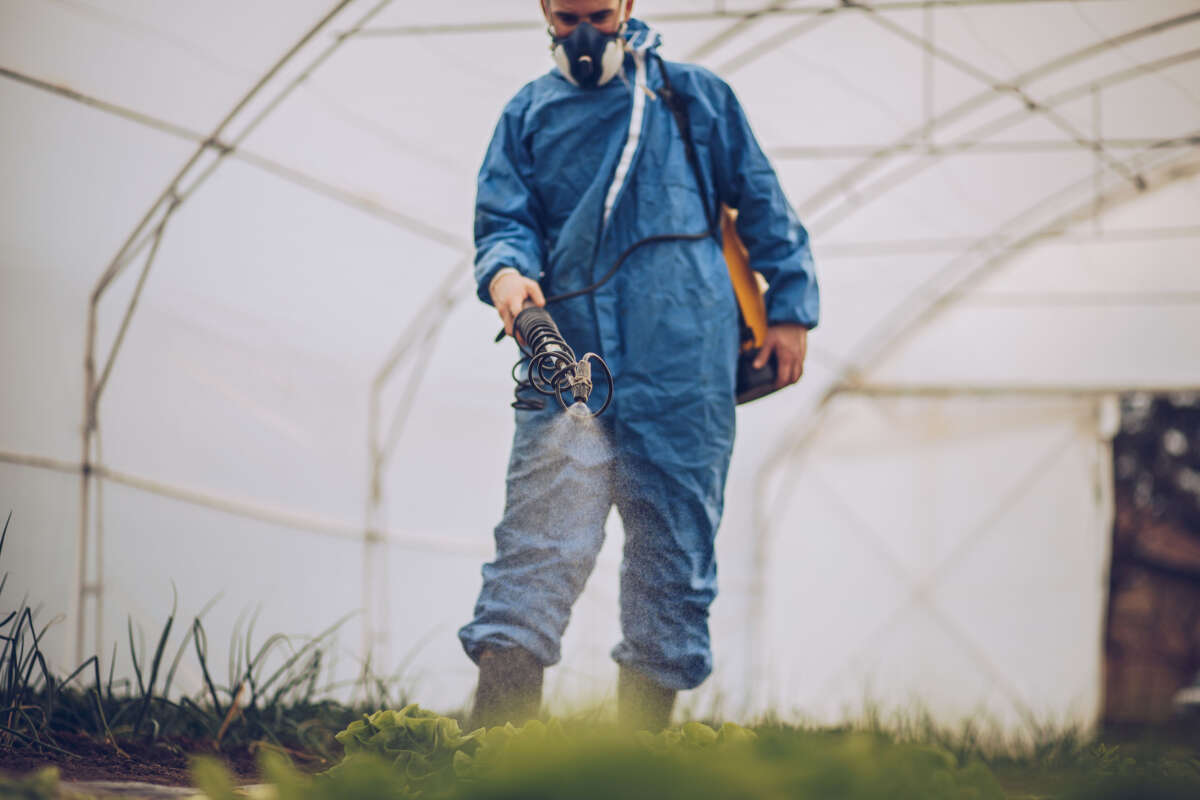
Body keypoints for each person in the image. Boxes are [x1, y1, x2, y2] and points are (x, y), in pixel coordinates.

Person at [457, 0, 819, 731]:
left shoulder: (694, 99)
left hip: (685, 365)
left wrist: (789, 309)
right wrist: (505, 277)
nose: (583, 33)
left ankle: (637, 757)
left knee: (674, 555)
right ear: (544, 12)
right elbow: (505, 221)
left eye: (598, 12)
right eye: (566, 17)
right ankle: (496, 746)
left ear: (626, 7)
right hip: (568, 368)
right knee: (536, 544)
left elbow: (762, 203)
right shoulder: (528, 114)